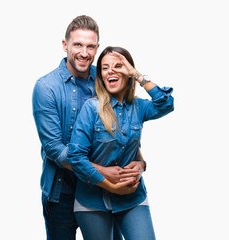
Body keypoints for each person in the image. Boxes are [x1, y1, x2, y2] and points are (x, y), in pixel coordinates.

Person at [32, 16, 145, 240]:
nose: (84, 52)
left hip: (100, 193)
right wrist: (104, 173)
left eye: (90, 46)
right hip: (63, 192)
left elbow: (125, 126)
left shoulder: (106, 77)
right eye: (78, 45)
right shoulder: (46, 88)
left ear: (97, 48)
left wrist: (140, 162)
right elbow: (55, 148)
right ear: (65, 45)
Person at [67, 46, 174, 240]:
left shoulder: (139, 107)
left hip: (132, 198)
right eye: (105, 68)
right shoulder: (91, 109)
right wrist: (110, 185)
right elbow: (75, 157)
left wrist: (137, 75)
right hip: (92, 200)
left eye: (118, 66)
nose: (111, 71)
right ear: (100, 75)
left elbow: (166, 104)